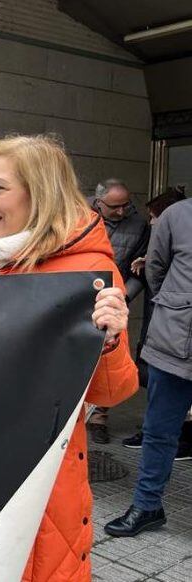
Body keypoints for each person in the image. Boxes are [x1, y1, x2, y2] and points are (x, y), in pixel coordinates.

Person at [0, 135, 137, 581]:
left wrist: (113, 340)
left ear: (39, 191)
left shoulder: (88, 272)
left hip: (47, 467)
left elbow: (112, 392)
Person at [105, 196, 192, 538]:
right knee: (159, 432)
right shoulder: (177, 215)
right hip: (173, 343)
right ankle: (147, 505)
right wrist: (177, 308)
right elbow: (154, 271)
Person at [122, 187, 189, 451]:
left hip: (172, 322)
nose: (151, 221)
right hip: (165, 318)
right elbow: (156, 269)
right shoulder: (165, 230)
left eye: (154, 216)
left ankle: (181, 436)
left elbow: (159, 271)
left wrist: (167, 302)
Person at [86, 178, 151, 444]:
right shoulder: (79, 216)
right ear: (99, 202)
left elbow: (143, 269)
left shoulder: (138, 225)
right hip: (79, 296)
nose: (122, 211)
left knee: (110, 353)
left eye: (126, 205)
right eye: (115, 207)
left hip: (113, 299)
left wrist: (124, 296)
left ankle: (99, 416)